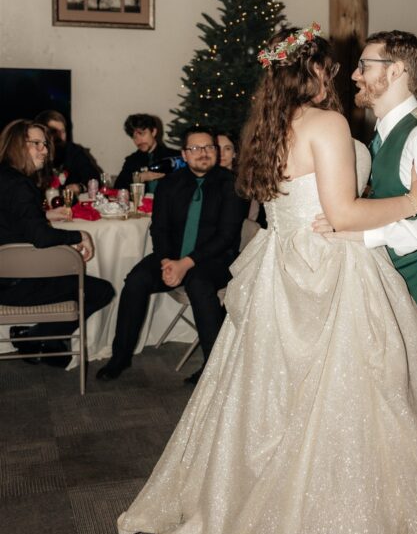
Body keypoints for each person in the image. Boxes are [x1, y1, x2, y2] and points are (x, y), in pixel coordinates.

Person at [117, 24, 417, 534]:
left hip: (282, 272)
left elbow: (299, 210)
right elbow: (346, 215)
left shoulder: (267, 128)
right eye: (337, 67)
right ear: (317, 72)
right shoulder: (325, 125)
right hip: (329, 272)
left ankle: (256, 521)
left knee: (278, 400)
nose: (346, 75)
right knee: (351, 405)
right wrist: (414, 199)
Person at [336, 31, 417, 349]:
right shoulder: (381, 134)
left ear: (395, 71)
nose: (355, 74)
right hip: (387, 283)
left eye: (364, 65)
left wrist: (369, 236)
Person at [98, 127, 247, 385]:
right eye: (195, 149)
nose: (203, 153)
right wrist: (167, 261)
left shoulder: (232, 185)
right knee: (136, 281)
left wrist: (185, 264)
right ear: (184, 154)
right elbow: (160, 229)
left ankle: (214, 369)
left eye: (209, 147)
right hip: (172, 255)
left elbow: (225, 237)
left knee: (199, 283)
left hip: (215, 260)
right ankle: (120, 357)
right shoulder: (169, 184)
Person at [0, 119, 114, 366]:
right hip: (14, 285)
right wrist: (79, 236)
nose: (45, 150)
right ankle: (36, 336)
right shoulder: (20, 185)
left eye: (45, 144)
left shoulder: (5, 178)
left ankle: (38, 338)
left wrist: (43, 216)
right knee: (101, 290)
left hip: (6, 278)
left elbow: (11, 221)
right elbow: (42, 238)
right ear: (18, 145)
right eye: (37, 144)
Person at [34, 109, 100, 196]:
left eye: (63, 131)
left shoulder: (74, 151)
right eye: (54, 132)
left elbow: (94, 178)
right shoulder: (34, 154)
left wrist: (80, 187)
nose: (60, 136)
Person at [114, 113, 180, 194]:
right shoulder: (132, 160)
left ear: (154, 132)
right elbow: (118, 188)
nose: (139, 140)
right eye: (134, 137)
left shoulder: (173, 156)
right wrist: (139, 178)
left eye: (142, 134)